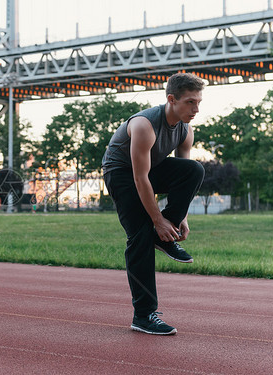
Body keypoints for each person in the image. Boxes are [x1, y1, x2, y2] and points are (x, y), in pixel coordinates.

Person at [102, 72, 205, 335]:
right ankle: (144, 315)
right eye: (190, 102)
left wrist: (179, 217)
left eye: (198, 103)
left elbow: (183, 176)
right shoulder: (144, 125)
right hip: (122, 173)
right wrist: (157, 221)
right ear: (171, 99)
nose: (195, 109)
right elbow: (140, 178)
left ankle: (164, 239)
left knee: (194, 169)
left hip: (150, 171)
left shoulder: (185, 129)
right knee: (140, 238)